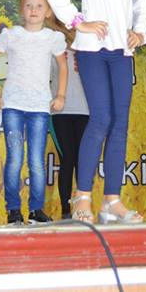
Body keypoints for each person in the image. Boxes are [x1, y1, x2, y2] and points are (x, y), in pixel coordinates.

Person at [45, 0, 146, 225]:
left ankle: (112, 201)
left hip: (122, 53)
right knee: (102, 118)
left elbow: (144, 4)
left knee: (120, 124)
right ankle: (81, 196)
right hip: (93, 50)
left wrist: (140, 32)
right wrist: (78, 23)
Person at [0, 0, 67, 225]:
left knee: (36, 161)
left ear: (48, 12)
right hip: (13, 105)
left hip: (39, 107)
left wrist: (60, 95)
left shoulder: (52, 38)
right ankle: (13, 209)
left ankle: (36, 209)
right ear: (22, 10)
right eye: (29, 5)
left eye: (39, 6)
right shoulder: (12, 35)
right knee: (15, 158)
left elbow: (62, 66)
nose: (34, 10)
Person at [48, 18, 89, 219]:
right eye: (66, 27)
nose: (70, 31)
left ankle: (82, 208)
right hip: (60, 113)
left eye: (73, 28)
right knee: (67, 159)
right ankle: (65, 211)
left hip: (85, 112)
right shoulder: (53, 51)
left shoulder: (88, 52)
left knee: (83, 161)